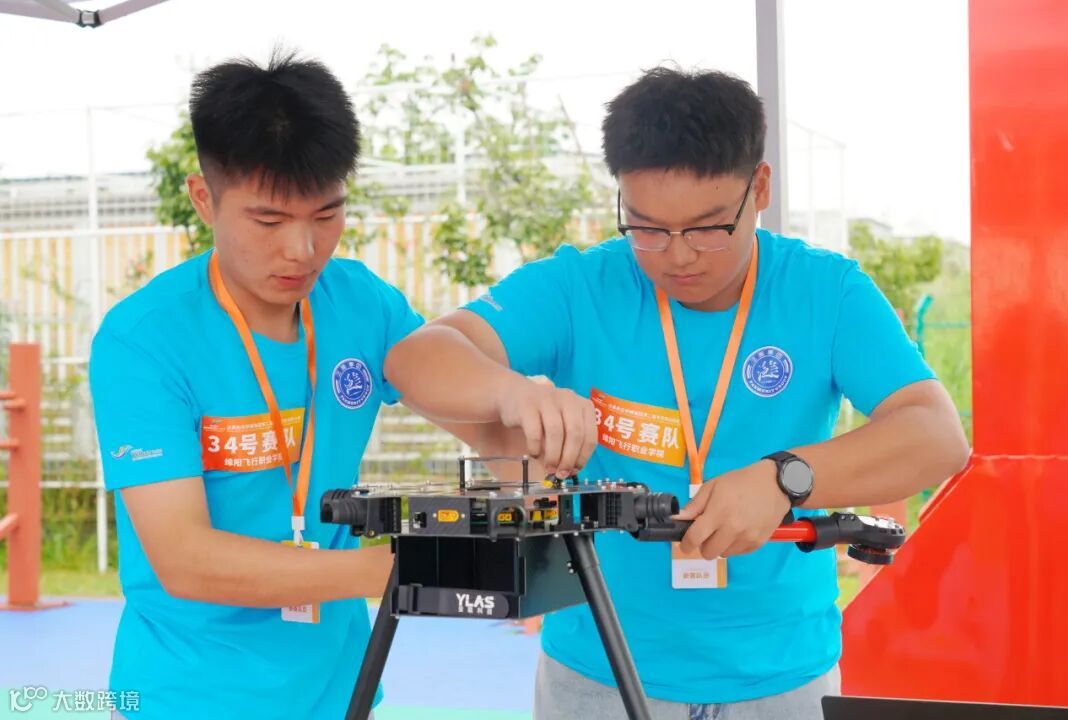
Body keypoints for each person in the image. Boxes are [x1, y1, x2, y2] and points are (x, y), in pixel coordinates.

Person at [384, 67, 970, 720]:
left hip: (781, 677)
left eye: (708, 227)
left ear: (760, 188)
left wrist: (785, 478)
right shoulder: (582, 286)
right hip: (598, 671)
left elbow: (937, 435)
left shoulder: (825, 291)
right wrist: (511, 393)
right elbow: (416, 358)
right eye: (648, 228)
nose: (677, 255)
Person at [88, 50, 580, 720]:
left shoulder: (357, 303)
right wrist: (399, 568)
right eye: (269, 221)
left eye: (326, 215)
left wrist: (515, 401)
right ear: (203, 198)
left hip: (342, 690)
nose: (302, 249)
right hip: (186, 697)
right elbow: (186, 559)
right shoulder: (144, 339)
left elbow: (445, 384)